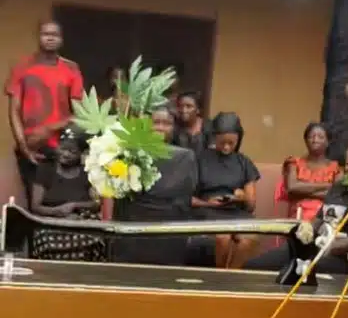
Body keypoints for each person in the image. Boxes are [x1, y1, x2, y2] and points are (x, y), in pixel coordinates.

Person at [247, 131, 348, 277]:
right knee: (253, 266)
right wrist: (301, 238)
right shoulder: (340, 185)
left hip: (345, 259)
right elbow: (319, 221)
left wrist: (327, 247)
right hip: (318, 248)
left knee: (292, 272)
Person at [5, 20, 84, 208]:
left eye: (54, 34)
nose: (50, 37)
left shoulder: (71, 69)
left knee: (53, 204)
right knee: (28, 204)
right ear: (38, 37)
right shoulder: (22, 67)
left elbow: (79, 112)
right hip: (31, 147)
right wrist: (23, 146)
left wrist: (52, 129)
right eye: (45, 34)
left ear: (61, 39)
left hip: (60, 150)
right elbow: (14, 111)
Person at [110, 105, 197, 266]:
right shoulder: (130, 151)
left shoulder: (185, 156)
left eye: (167, 123)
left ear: (174, 128)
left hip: (168, 227)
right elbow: (119, 193)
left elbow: (185, 198)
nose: (161, 128)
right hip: (133, 224)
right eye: (156, 122)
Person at [191, 111, 260, 268]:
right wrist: (208, 204)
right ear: (214, 137)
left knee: (247, 240)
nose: (227, 147)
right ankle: (219, 277)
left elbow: (251, 205)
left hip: (237, 213)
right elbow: (187, 198)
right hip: (207, 212)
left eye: (232, 143)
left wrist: (241, 197)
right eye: (222, 142)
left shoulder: (244, 162)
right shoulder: (200, 159)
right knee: (222, 237)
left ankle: (231, 277)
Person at [28, 127, 104, 261]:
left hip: (80, 222)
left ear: (82, 153)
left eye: (72, 151)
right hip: (50, 222)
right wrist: (57, 212)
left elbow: (97, 203)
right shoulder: (45, 170)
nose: (66, 154)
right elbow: (35, 207)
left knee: (93, 240)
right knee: (48, 243)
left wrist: (75, 205)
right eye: (63, 149)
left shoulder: (87, 172)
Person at [278, 122, 340, 221]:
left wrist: (302, 191)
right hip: (299, 213)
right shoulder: (294, 163)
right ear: (306, 140)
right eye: (311, 136)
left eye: (320, 137)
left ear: (328, 142)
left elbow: (336, 194)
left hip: (325, 215)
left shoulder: (335, 167)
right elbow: (292, 187)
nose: (315, 140)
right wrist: (326, 185)